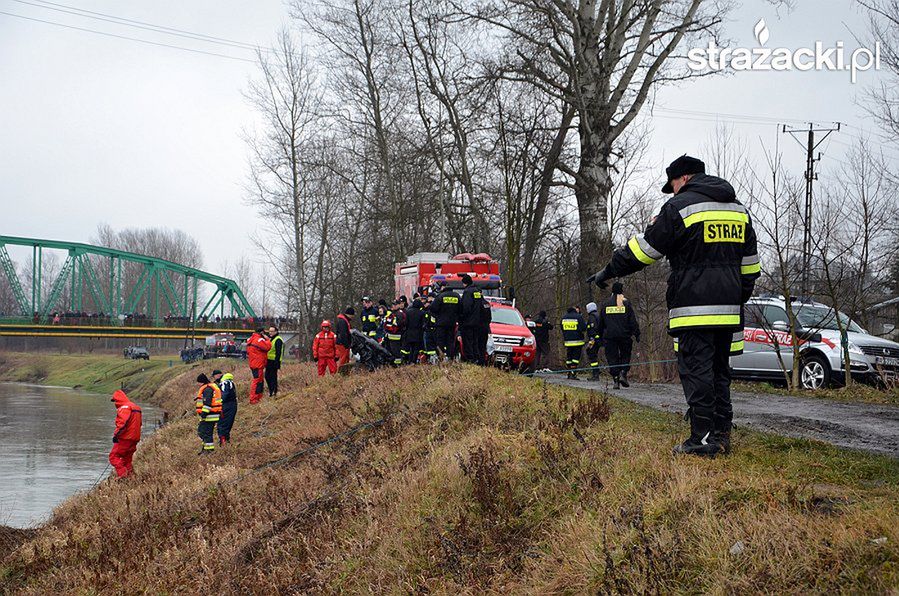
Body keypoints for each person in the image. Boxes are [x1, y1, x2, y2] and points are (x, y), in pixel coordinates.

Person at [588, 155, 760, 457]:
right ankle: (721, 434)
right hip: (730, 311)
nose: (673, 191)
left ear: (684, 178)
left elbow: (644, 250)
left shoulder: (679, 207)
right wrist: (735, 297)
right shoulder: (739, 210)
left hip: (693, 310)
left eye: (674, 185)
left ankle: (702, 439)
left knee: (698, 371)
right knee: (720, 371)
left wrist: (609, 270)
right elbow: (750, 267)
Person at [597, 282, 641, 390]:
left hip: (610, 336)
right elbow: (632, 321)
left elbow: (601, 322)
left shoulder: (605, 304)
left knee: (612, 358)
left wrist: (599, 335)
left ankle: (615, 379)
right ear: (622, 291)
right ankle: (623, 372)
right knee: (625, 355)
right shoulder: (626, 303)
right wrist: (637, 333)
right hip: (625, 335)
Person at [109, 389, 142, 478]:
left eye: (115, 400)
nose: (114, 403)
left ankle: (123, 476)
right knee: (127, 459)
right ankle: (131, 478)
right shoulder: (136, 407)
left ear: (118, 399)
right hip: (135, 438)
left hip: (125, 438)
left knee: (113, 457)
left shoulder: (124, 408)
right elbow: (139, 424)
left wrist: (116, 435)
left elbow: (122, 424)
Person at [458, 274, 485, 364]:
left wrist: (461, 317)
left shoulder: (467, 292)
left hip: (468, 322)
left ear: (465, 283)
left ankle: (470, 359)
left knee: (468, 341)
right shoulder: (477, 291)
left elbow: (466, 307)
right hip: (477, 322)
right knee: (475, 341)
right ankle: (476, 358)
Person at [430, 282, 460, 361]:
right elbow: (461, 309)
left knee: (440, 341)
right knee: (450, 341)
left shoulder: (440, 296)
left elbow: (433, 308)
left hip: (441, 323)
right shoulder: (457, 296)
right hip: (452, 323)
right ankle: (450, 357)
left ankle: (441, 357)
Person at [195, 373, 222, 454]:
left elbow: (207, 404)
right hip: (211, 414)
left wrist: (203, 414)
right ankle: (205, 449)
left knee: (204, 432)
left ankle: (209, 450)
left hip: (209, 415)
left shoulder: (207, 389)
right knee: (204, 432)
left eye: (198, 382)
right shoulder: (209, 387)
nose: (198, 384)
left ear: (202, 382)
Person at [246, 328, 272, 404]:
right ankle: (254, 399)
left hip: (253, 363)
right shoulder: (259, 340)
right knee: (257, 381)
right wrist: (268, 340)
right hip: (258, 364)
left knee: (259, 381)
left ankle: (258, 397)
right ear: (261, 333)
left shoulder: (250, 339)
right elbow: (267, 347)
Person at [561, 307, 586, 379]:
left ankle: (569, 372)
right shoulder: (579, 317)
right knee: (575, 358)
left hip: (568, 342)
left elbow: (562, 328)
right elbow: (584, 328)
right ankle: (573, 373)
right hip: (577, 341)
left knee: (569, 357)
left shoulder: (564, 317)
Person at [213, 369, 237, 446]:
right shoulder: (229, 382)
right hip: (231, 405)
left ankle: (223, 442)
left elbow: (224, 395)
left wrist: (217, 403)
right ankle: (226, 441)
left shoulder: (224, 383)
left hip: (226, 406)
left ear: (217, 375)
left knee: (222, 424)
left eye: (214, 376)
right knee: (227, 423)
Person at [403, 298, 426, 363]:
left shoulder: (408, 312)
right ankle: (414, 361)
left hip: (409, 333)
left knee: (411, 348)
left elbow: (406, 323)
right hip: (418, 333)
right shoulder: (421, 313)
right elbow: (423, 323)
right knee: (416, 348)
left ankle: (410, 361)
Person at [584, 302, 603, 381]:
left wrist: (593, 339)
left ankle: (596, 374)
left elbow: (592, 329)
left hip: (594, 339)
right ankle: (596, 371)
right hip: (598, 339)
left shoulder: (592, 317)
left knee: (592, 355)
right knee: (592, 354)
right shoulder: (598, 315)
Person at [265, 326, 284, 397]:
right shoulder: (271, 339)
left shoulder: (278, 339)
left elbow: (278, 352)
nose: (270, 333)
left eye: (272, 331)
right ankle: (271, 390)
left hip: (274, 361)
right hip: (269, 361)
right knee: (267, 376)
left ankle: (274, 391)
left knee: (273, 377)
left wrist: (277, 362)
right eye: (269, 331)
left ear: (276, 332)